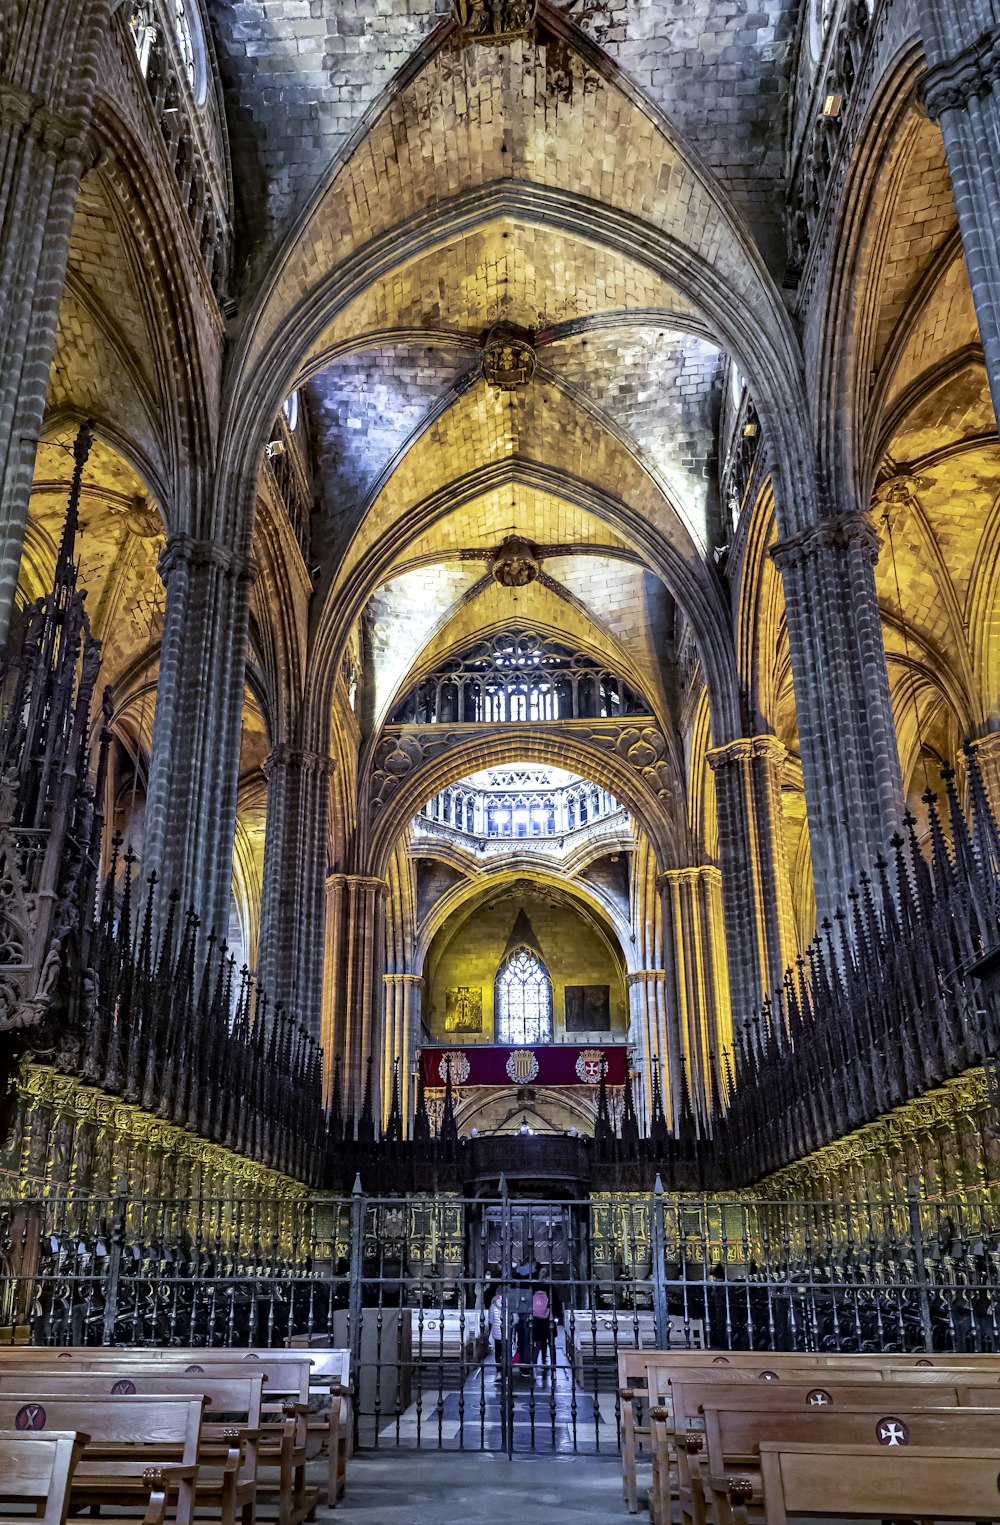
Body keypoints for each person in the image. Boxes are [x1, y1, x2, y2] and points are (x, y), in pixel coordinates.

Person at [489, 1285, 507, 1379]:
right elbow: (515, 1318)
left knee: (498, 1352)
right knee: (507, 1352)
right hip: (507, 1332)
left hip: (497, 1332)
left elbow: (491, 1320)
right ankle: (507, 1372)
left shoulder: (493, 1304)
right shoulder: (510, 1302)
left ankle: (499, 1371)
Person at [531, 1285, 551, 1366]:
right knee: (545, 1342)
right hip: (545, 1321)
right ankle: (544, 1359)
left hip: (535, 1320)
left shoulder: (534, 1292)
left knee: (536, 1342)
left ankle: (534, 1360)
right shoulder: (548, 1291)